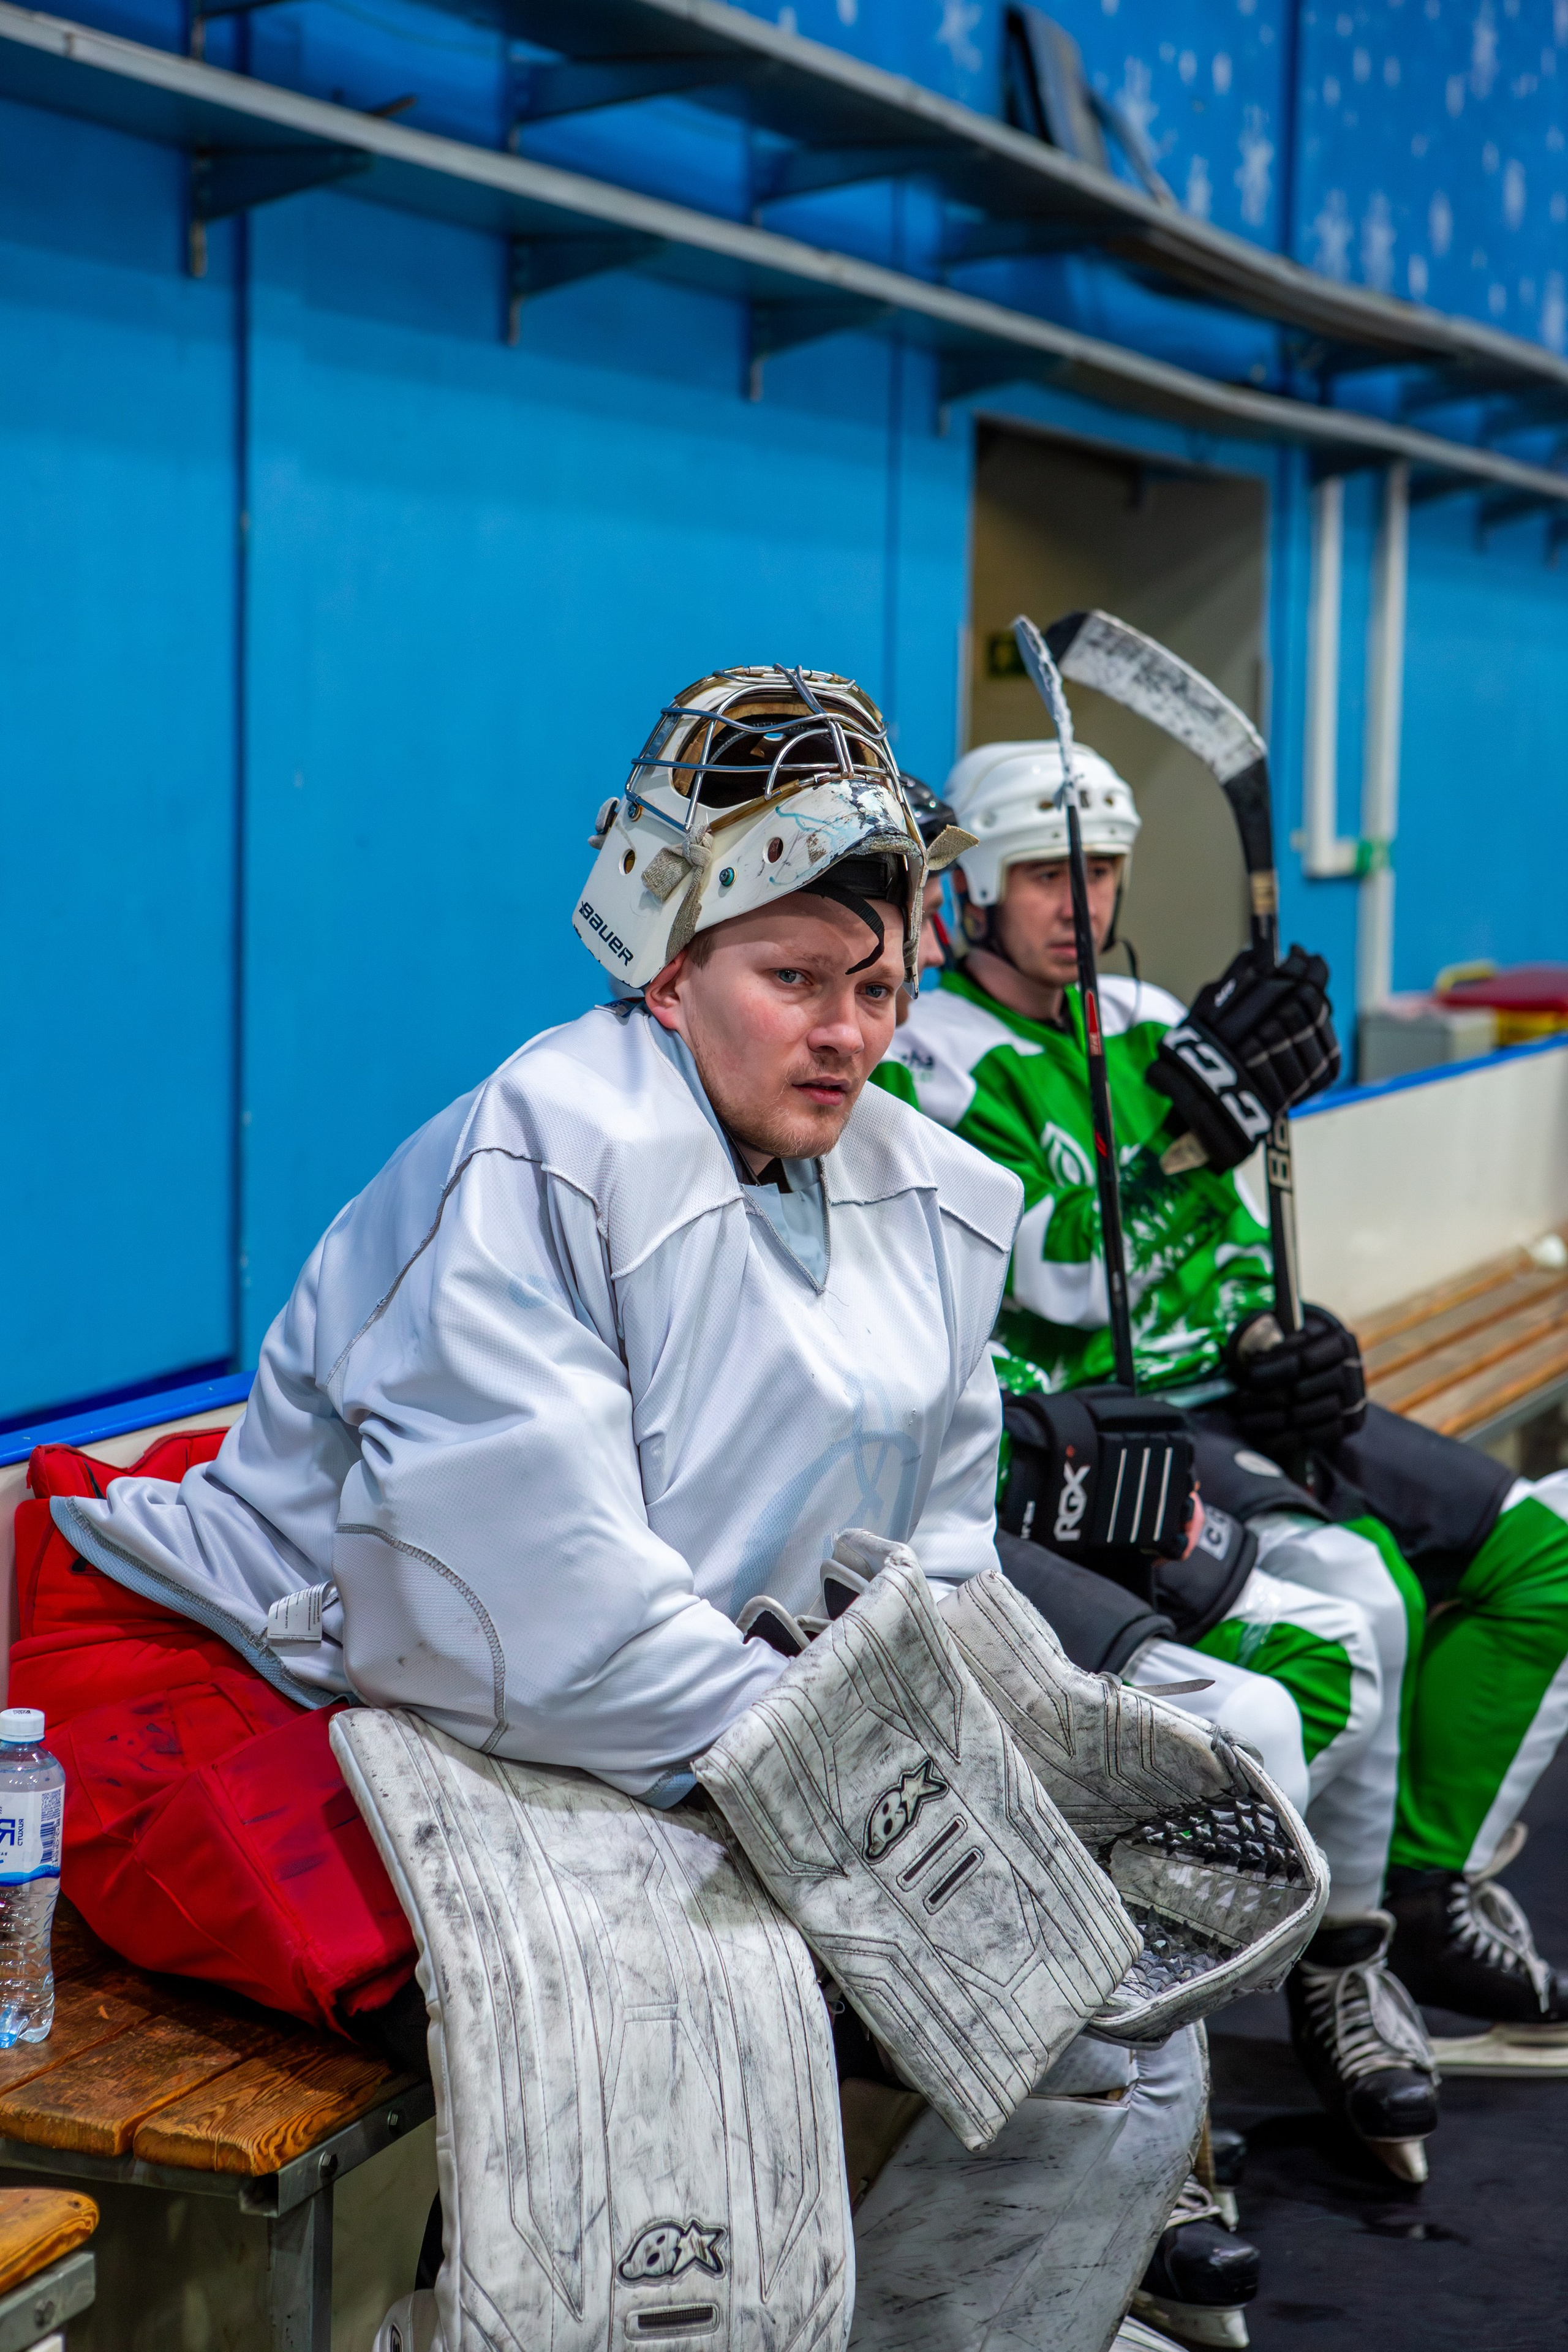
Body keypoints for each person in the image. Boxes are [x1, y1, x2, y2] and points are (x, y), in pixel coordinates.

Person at [13, 668, 1253, 2352]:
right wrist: (849, 1790)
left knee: (1115, 2043)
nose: (847, 1029)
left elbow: (934, 1564)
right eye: (792, 978)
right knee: (693, 2006)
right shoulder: (542, 1151)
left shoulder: (927, 1200)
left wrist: (1004, 1743)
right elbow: (515, 1603)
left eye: (877, 983)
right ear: (670, 967)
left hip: (655, 1706)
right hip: (310, 1675)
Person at [877, 733, 1568, 2175]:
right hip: (1100, 1434)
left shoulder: (1138, 1015)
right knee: (1361, 1602)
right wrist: (1184, 1143)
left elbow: (1224, 1256)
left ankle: (1406, 1907)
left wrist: (1284, 1343)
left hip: (1226, 1398)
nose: (1079, 898)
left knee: (1537, 1552)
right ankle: (1326, 1957)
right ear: (973, 893)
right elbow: (1058, 1280)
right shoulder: (930, 1060)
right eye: (1041, 874)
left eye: (1103, 868)